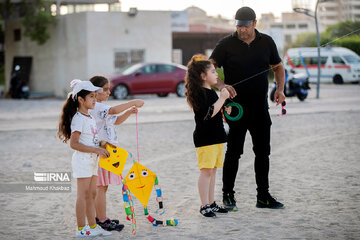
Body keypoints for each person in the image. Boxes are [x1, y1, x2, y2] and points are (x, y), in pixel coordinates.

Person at [210, 6, 286, 211]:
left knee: (263, 153)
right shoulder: (226, 44)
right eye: (238, 25)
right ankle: (228, 195)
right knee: (234, 152)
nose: (241, 29)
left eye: (245, 25)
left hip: (260, 109)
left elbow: (278, 67)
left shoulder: (267, 42)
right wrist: (221, 85)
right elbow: (209, 67)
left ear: (254, 23)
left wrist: (280, 89)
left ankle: (263, 197)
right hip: (235, 109)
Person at [57, 79, 112, 237]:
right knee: (83, 195)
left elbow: (90, 139)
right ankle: (81, 229)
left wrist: (100, 145)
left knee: (92, 194)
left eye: (96, 96)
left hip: (93, 160)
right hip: (82, 161)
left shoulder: (90, 118)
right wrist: (95, 149)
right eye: (91, 97)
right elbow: (74, 144)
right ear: (81, 99)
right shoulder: (78, 119)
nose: (95, 100)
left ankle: (93, 226)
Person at [88, 75, 144, 231]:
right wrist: (132, 102)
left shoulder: (101, 107)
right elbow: (113, 110)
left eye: (108, 89)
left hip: (108, 152)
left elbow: (116, 120)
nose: (108, 92)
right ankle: (101, 220)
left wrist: (129, 112)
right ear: (95, 91)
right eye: (105, 89)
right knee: (101, 187)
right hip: (101, 152)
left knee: (103, 187)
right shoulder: (96, 107)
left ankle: (101, 217)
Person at [185, 54, 231, 217]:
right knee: (206, 172)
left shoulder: (210, 92)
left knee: (213, 171)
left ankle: (211, 203)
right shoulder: (200, 93)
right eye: (213, 72)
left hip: (217, 137)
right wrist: (222, 99)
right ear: (203, 76)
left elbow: (215, 112)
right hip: (206, 139)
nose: (216, 74)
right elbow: (208, 113)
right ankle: (204, 205)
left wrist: (224, 107)